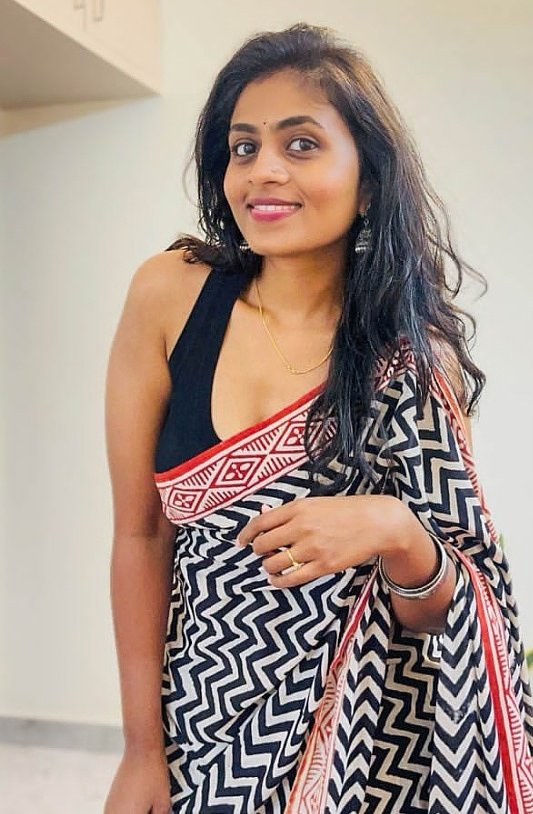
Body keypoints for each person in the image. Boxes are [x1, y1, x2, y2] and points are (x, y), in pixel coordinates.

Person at [103, 22, 533, 814]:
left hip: (360, 755)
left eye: (301, 144)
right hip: (198, 716)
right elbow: (140, 533)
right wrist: (140, 749)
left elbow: (441, 611)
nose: (263, 170)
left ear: (366, 181)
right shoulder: (169, 295)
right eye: (243, 147)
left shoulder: (411, 358)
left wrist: (394, 531)